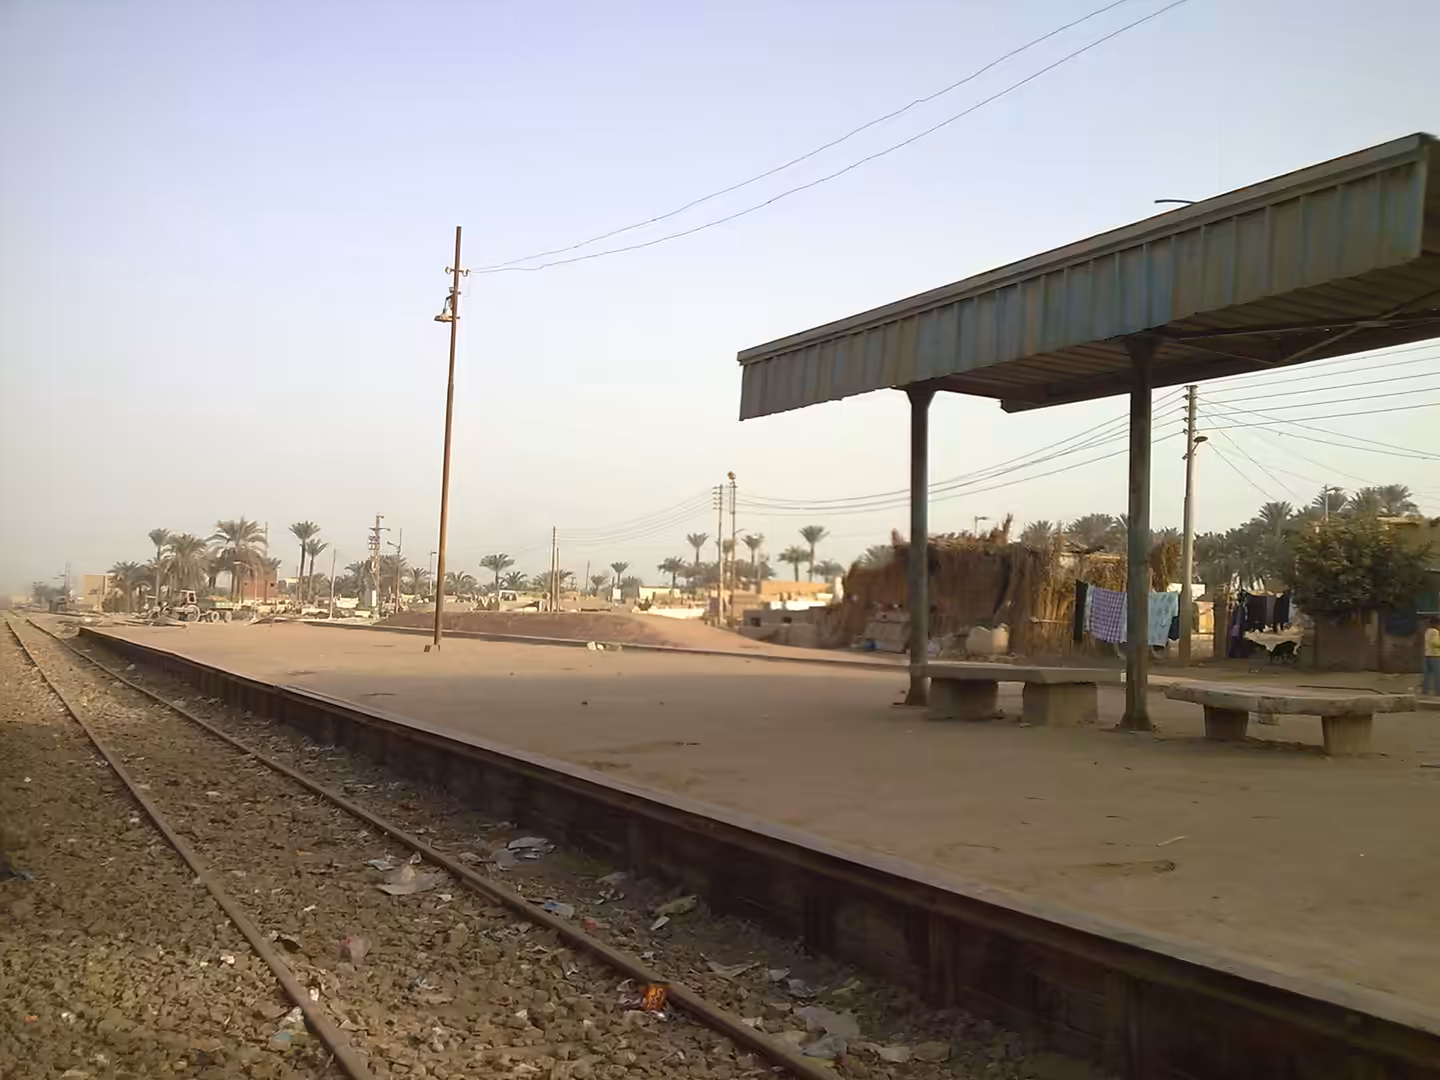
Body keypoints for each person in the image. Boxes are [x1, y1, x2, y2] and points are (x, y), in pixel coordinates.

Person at [1425, 617, 1440, 698]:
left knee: (1427, 675)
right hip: (1435, 655)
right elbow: (1435, 643)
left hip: (1427, 654)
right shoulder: (1435, 632)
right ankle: (1438, 691)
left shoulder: (1427, 631)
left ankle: (1425, 690)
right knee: (1437, 675)